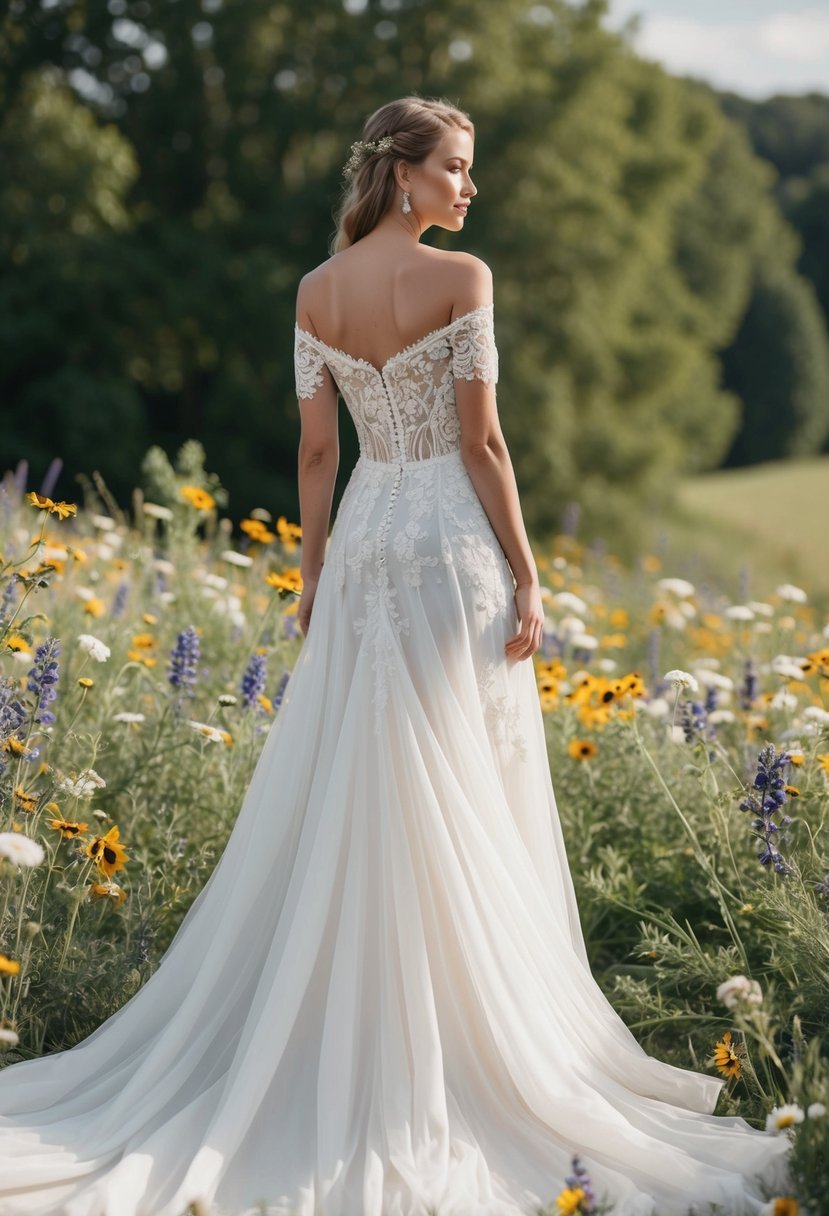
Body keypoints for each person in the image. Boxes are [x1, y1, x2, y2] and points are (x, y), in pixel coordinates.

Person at [0, 96, 792, 1216]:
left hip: (367, 537)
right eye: (457, 169)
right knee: (461, 783)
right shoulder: (460, 282)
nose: (470, 190)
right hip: (445, 547)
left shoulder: (315, 291)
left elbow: (317, 449)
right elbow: (482, 441)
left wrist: (315, 571)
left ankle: (354, 1028)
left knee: (367, 781)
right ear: (405, 173)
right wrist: (526, 567)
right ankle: (457, 1051)